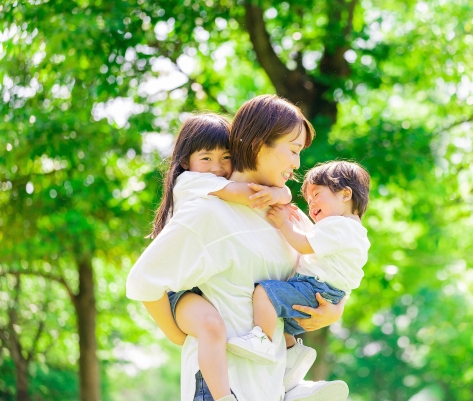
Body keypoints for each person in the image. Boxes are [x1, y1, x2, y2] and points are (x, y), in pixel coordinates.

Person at [126, 95, 349, 401]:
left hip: (269, 389)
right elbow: (143, 280)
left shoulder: (287, 217)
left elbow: (330, 271)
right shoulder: (209, 212)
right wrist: (179, 334)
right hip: (221, 390)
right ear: (258, 144)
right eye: (293, 150)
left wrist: (335, 309)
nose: (297, 163)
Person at [140, 112, 298, 401]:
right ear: (185, 161)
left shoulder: (273, 214)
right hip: (183, 291)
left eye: (226, 157)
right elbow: (246, 192)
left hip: (263, 386)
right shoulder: (196, 188)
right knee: (211, 325)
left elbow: (326, 260)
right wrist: (176, 334)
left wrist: (281, 195)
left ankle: (293, 382)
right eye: (206, 158)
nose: (217, 167)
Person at [226, 161, 370, 377]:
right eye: (309, 201)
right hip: (327, 294)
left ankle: (261, 341)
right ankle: (293, 353)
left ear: (345, 194)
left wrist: (284, 223)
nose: (311, 206)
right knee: (280, 322)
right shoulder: (357, 233)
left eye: (317, 195)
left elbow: (303, 244)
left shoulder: (338, 226)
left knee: (264, 293)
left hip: (312, 287)